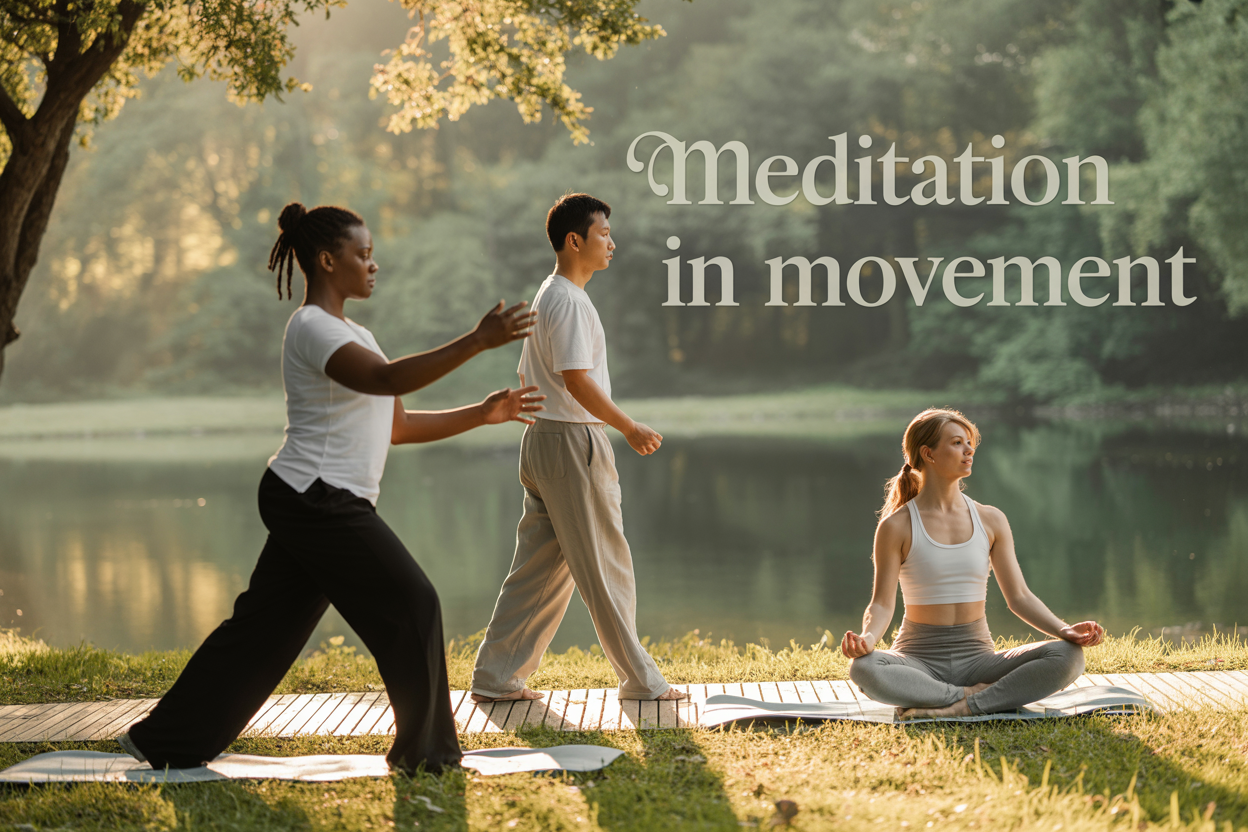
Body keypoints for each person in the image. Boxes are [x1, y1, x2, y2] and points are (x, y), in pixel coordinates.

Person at [118, 202, 543, 772]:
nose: (373, 265)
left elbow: (398, 425)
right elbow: (386, 380)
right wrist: (474, 342)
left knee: (265, 627)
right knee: (414, 604)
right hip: (314, 496)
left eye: (372, 255)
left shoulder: (356, 332)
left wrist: (483, 413)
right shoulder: (312, 327)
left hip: (319, 499)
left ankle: (165, 741)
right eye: (362, 254)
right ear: (326, 259)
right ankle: (428, 755)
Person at [470, 192, 684, 703]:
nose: (612, 242)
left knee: (541, 569)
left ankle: (496, 677)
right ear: (575, 240)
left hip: (547, 440)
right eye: (604, 233)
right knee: (606, 562)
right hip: (570, 439)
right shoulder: (565, 298)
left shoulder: (557, 295)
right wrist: (627, 427)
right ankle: (641, 681)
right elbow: (575, 380)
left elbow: (544, 376)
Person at [841, 408, 1104, 718]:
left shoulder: (991, 519)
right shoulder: (896, 526)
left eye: (970, 443)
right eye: (956, 443)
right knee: (865, 668)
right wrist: (868, 639)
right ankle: (976, 697)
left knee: (1068, 656)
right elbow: (881, 604)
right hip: (917, 660)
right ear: (928, 453)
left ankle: (954, 706)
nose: (969, 450)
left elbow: (1019, 597)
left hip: (979, 660)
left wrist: (1064, 630)